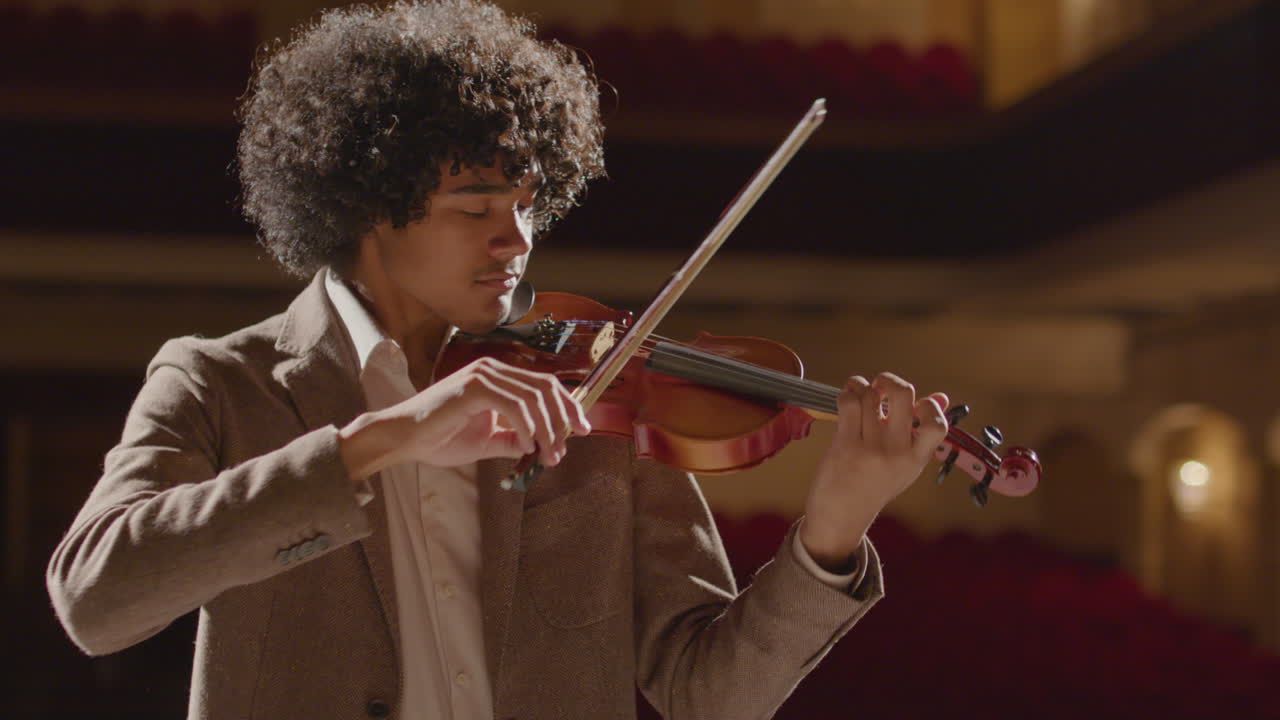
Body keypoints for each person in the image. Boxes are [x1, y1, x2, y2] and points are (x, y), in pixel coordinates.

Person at [46, 2, 949, 718]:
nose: (516, 239)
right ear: (370, 205)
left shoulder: (595, 394)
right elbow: (97, 601)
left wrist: (834, 525)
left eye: (527, 205)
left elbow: (704, 693)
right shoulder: (218, 383)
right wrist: (382, 441)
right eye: (475, 208)